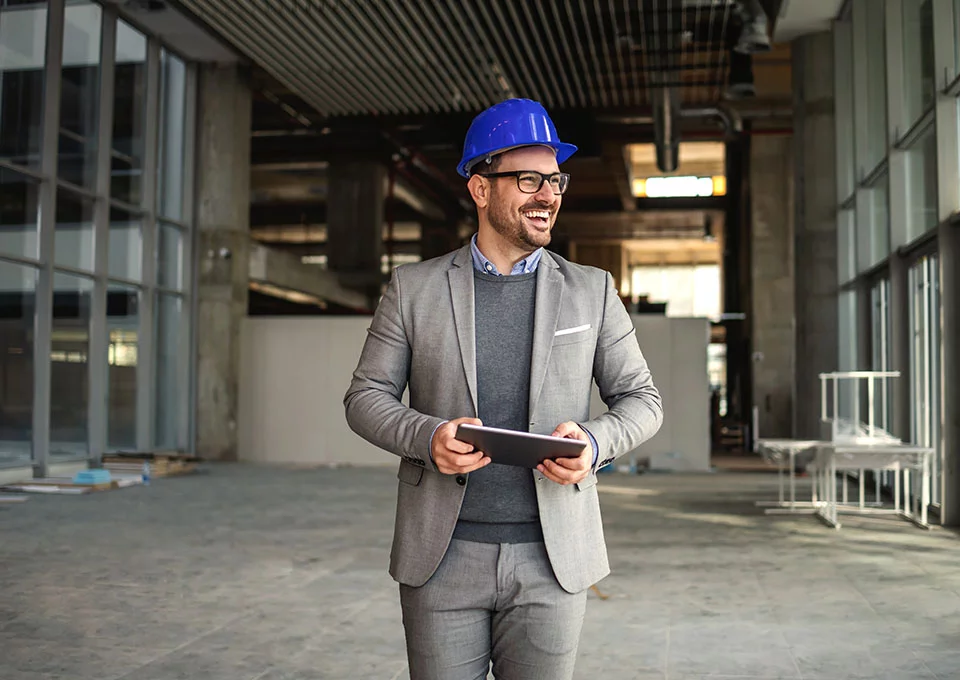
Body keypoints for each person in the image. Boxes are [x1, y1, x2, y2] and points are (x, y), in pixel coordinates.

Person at [344, 98, 663, 680]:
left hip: (553, 557)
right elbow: (366, 397)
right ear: (480, 189)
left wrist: (592, 445)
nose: (549, 195)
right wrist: (427, 435)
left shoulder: (592, 290)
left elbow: (643, 401)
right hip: (441, 557)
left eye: (555, 179)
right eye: (528, 180)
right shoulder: (414, 289)